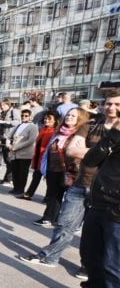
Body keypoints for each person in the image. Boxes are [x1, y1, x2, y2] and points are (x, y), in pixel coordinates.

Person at [19, 93, 120, 273]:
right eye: (108, 103)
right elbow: (73, 150)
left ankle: (88, 268)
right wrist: (107, 152)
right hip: (81, 183)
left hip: (108, 192)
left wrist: (92, 152)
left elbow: (85, 152)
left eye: (116, 104)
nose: (111, 107)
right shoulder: (90, 125)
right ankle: (50, 257)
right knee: (64, 224)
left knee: (96, 235)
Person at [74, 108, 120, 288]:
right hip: (100, 201)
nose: (113, 109)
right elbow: (90, 160)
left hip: (117, 209)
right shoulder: (113, 135)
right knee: (90, 254)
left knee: (114, 260)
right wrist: (114, 135)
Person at [34, 108, 89, 227]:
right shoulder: (58, 132)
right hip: (53, 169)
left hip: (72, 171)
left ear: (80, 119)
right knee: (52, 195)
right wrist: (44, 168)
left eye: (73, 116)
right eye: (68, 115)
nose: (69, 117)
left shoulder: (81, 134)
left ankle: (73, 223)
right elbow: (48, 151)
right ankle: (49, 217)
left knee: (72, 199)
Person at [23, 112, 58, 200]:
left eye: (49, 119)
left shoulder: (54, 131)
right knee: (36, 176)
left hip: (48, 158)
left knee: (49, 179)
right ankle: (29, 194)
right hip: (39, 157)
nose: (46, 120)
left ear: (55, 121)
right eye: (45, 118)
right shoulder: (43, 129)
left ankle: (48, 197)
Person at [6, 109, 38, 195]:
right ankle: (15, 188)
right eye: (22, 116)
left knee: (22, 173)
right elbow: (9, 136)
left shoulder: (33, 127)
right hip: (14, 153)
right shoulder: (18, 125)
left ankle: (20, 189)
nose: (24, 117)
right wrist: (8, 144)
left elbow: (31, 140)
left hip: (25, 154)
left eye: (26, 116)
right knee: (15, 171)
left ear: (30, 116)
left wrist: (16, 147)